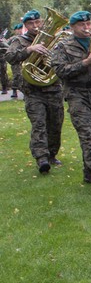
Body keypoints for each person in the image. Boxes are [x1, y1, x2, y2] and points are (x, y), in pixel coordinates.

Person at [48, 10, 91, 193]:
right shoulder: (63, 46)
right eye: (82, 25)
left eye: (89, 23)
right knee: (87, 135)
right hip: (77, 94)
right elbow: (59, 70)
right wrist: (85, 62)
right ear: (73, 27)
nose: (87, 27)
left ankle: (88, 170)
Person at [5, 9, 65, 173]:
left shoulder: (51, 40)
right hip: (33, 90)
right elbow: (9, 57)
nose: (35, 26)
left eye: (38, 22)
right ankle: (41, 158)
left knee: (55, 124)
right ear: (25, 25)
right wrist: (29, 50)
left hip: (53, 88)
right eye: (31, 23)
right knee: (39, 124)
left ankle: (52, 155)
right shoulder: (19, 40)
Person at [8, 23, 24, 98]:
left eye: (22, 28)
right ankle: (14, 90)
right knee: (16, 75)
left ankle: (25, 92)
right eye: (19, 29)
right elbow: (8, 48)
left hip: (24, 60)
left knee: (24, 76)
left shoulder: (26, 38)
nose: (21, 30)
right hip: (16, 61)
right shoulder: (14, 39)